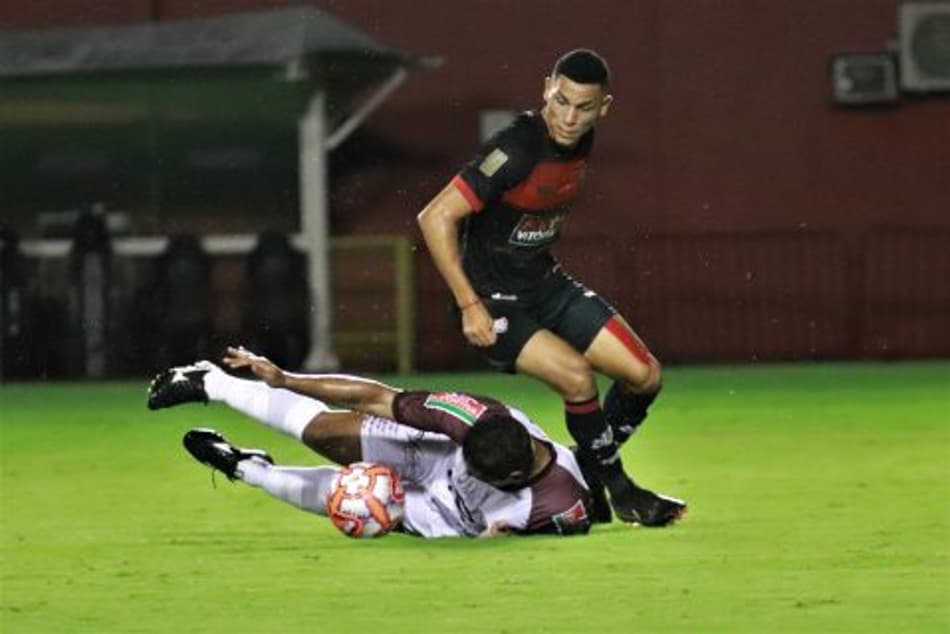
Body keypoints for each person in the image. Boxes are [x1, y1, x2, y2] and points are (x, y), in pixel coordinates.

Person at [416, 48, 685, 526]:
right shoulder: (517, 147)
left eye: (583, 108)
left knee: (644, 376)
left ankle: (583, 472)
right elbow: (435, 216)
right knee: (577, 378)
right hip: (492, 300)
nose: (567, 116)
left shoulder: (581, 139)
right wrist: (469, 304)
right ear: (546, 89)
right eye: (560, 101)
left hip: (544, 283)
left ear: (604, 108)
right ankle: (620, 491)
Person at [147, 347, 593, 538]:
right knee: (324, 434)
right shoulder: (469, 417)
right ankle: (213, 382)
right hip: (434, 451)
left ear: (515, 476)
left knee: (353, 502)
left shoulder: (561, 504)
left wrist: (502, 541)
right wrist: (287, 379)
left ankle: (247, 468)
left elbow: (582, 516)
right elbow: (375, 397)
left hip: (452, 518)